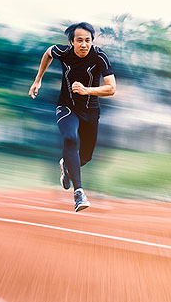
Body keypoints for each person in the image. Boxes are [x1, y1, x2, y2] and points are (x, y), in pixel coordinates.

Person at [28, 22, 116, 211]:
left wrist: (87, 91)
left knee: (86, 157)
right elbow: (48, 52)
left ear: (92, 41)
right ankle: (79, 194)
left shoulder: (99, 56)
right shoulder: (64, 52)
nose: (84, 44)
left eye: (88, 40)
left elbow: (111, 88)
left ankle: (66, 166)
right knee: (69, 138)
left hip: (91, 111)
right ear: (72, 42)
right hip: (66, 107)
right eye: (79, 40)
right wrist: (38, 80)